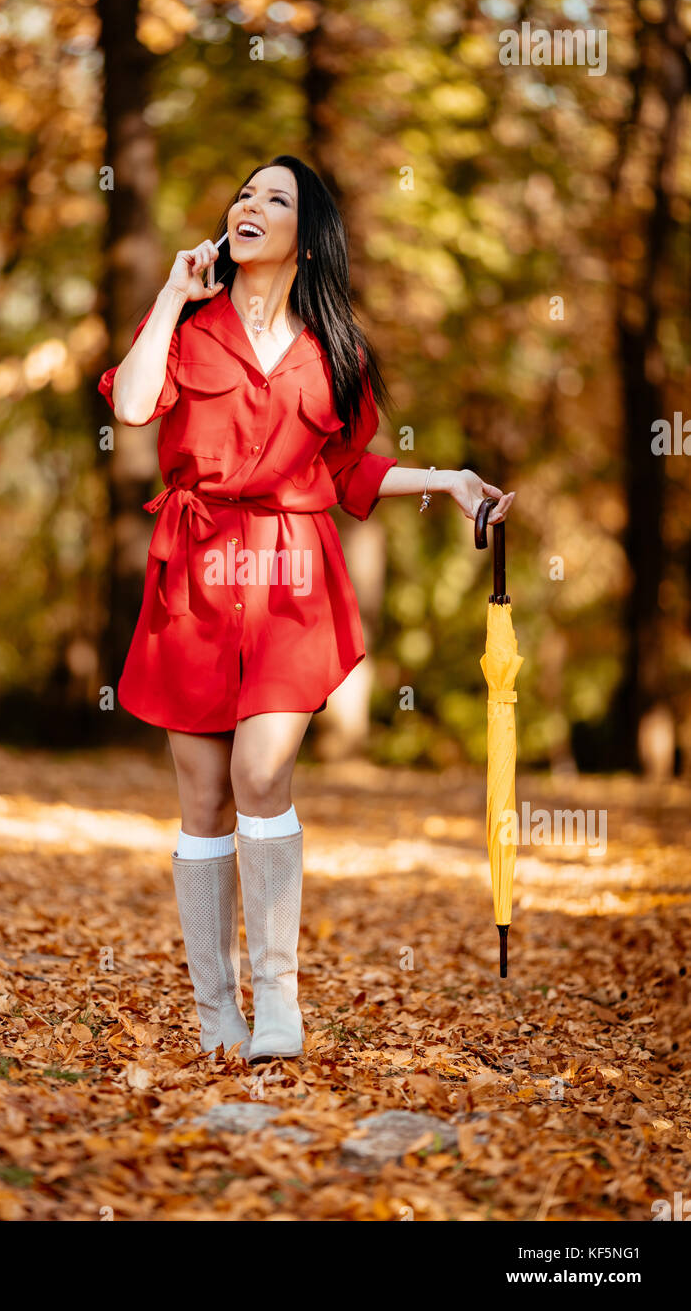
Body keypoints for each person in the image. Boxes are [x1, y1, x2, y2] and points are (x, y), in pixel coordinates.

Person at [98, 155, 515, 1064]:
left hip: (291, 574)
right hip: (194, 573)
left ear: (306, 235)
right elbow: (131, 408)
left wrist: (443, 479)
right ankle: (217, 1014)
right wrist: (170, 296)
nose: (250, 205)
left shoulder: (340, 352)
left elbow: (339, 470)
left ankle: (279, 1002)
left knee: (260, 775)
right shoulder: (187, 325)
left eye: (275, 199)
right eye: (243, 193)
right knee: (203, 799)